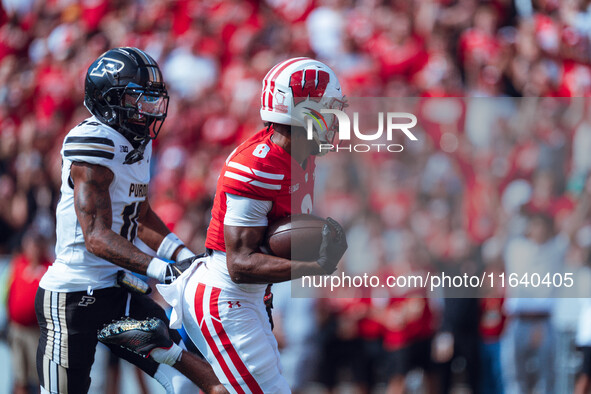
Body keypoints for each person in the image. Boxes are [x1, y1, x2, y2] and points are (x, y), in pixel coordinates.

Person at [98, 57, 349, 393]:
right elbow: (240, 264)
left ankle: (169, 351)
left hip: (249, 295)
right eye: (326, 108)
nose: (335, 118)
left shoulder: (301, 153)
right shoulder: (257, 166)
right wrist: (312, 265)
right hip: (225, 297)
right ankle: (169, 353)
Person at [34, 47, 224, 394]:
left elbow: (139, 212)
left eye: (152, 98)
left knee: (190, 377)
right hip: (72, 297)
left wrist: (182, 255)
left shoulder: (135, 139)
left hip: (116, 292)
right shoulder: (94, 142)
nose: (148, 108)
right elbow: (96, 236)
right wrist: (162, 269)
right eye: (138, 97)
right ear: (108, 100)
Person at [7, 229, 51, 394]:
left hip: (36, 332)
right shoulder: (19, 264)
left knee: (38, 378)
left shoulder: (48, 268)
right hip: (17, 329)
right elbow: (10, 292)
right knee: (19, 376)